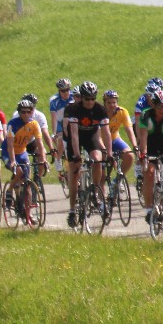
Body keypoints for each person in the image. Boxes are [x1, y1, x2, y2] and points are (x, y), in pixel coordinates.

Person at [63, 82, 110, 227]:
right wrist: (77, 156)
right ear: (82, 98)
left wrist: (109, 154)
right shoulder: (73, 109)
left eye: (93, 99)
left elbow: (106, 133)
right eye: (87, 99)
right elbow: (74, 135)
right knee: (74, 173)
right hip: (75, 139)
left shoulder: (100, 109)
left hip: (91, 136)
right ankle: (72, 210)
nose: (90, 102)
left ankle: (95, 191)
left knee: (97, 159)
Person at [136, 88, 163, 224]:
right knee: (149, 173)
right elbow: (143, 138)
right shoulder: (145, 115)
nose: (162, 110)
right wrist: (143, 155)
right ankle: (149, 209)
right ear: (153, 105)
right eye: (160, 106)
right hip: (151, 143)